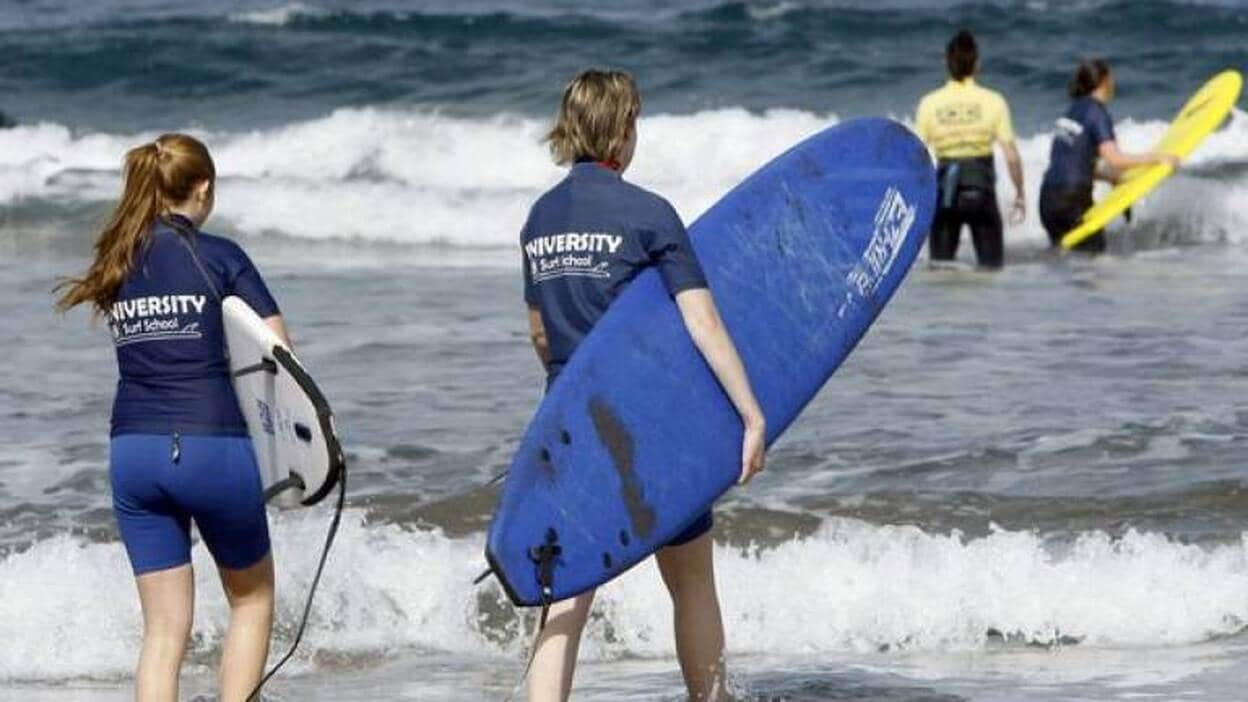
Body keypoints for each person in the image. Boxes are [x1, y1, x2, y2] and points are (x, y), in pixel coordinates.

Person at [519, 69, 767, 702]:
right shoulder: (651, 215)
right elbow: (702, 320)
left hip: (569, 422)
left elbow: (542, 338)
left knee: (567, 596)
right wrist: (751, 415)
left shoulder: (539, 219)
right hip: (649, 427)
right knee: (689, 581)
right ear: (622, 130)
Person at [55, 133, 288, 702]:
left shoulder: (115, 263)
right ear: (202, 187)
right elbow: (278, 354)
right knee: (252, 600)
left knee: (163, 632)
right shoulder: (220, 256)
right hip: (212, 445)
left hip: (133, 451)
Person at [1040, 59, 1180, 252]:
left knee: (1066, 265)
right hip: (1071, 201)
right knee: (1092, 263)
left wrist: (1111, 178)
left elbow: (1072, 162)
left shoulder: (1071, 112)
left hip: (1047, 201)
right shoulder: (1096, 112)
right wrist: (1157, 158)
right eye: (1112, 78)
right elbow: (1114, 158)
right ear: (1104, 81)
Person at [915, 29, 1025, 269]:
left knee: (941, 273)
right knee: (991, 271)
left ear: (946, 62)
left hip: (945, 197)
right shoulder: (993, 101)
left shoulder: (929, 103)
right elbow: (1011, 156)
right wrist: (1020, 192)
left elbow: (917, 158)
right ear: (977, 64)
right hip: (981, 193)